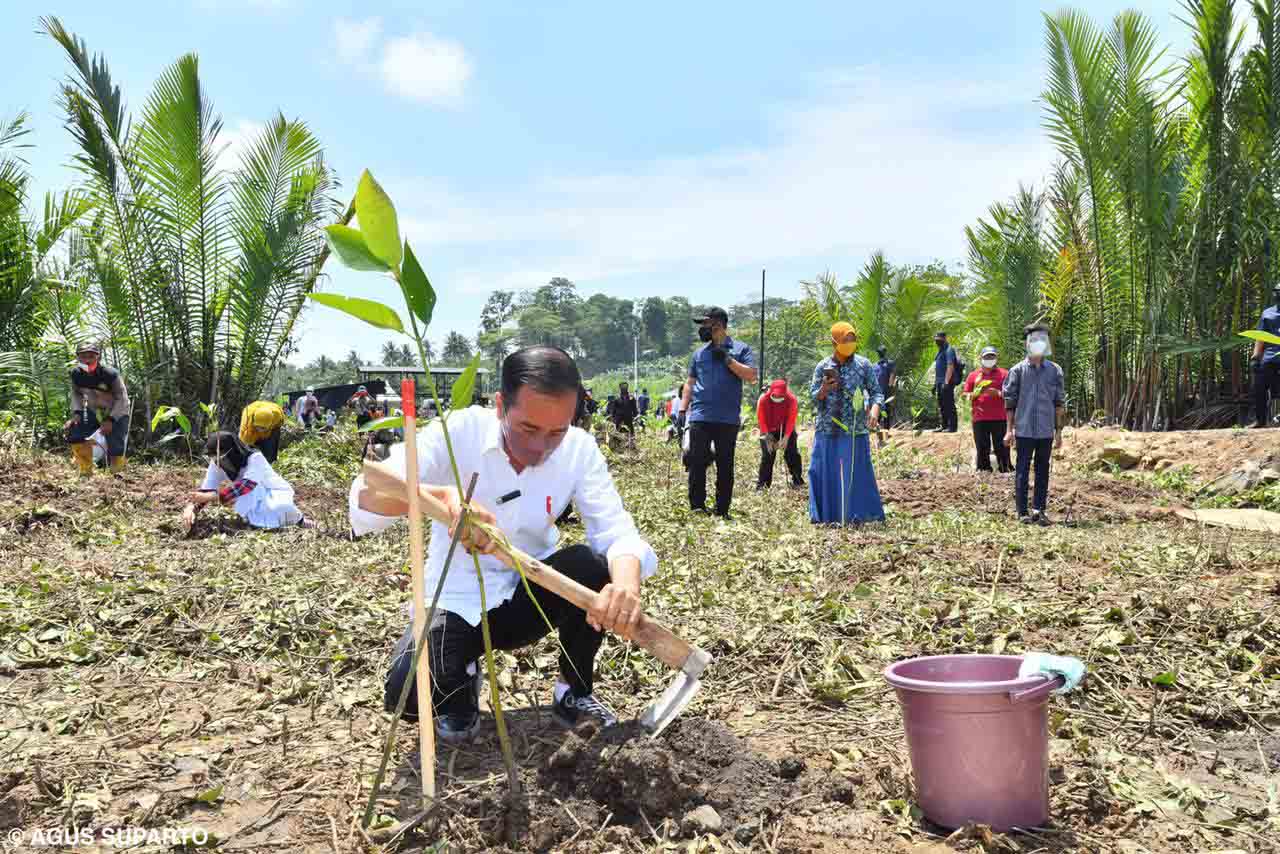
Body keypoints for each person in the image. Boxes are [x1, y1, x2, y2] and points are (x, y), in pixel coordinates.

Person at [349, 346, 657, 742]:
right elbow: (368, 493)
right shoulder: (458, 431)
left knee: (596, 566)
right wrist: (438, 497)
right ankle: (461, 684)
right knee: (409, 691)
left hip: (532, 593)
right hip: (456, 599)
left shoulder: (579, 449)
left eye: (556, 433)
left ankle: (573, 690)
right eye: (527, 429)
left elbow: (615, 530)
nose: (540, 447)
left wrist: (626, 587)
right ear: (499, 405)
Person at [683, 307, 758, 518]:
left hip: (727, 419)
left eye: (706, 324)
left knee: (725, 465)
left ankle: (722, 510)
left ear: (719, 325)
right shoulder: (699, 354)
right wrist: (682, 409)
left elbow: (752, 376)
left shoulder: (741, 349)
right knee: (697, 462)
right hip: (700, 416)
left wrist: (727, 359)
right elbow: (690, 383)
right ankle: (697, 507)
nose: (703, 329)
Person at [809, 322, 884, 524]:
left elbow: (877, 392)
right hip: (827, 429)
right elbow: (813, 398)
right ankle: (828, 516)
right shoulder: (823, 367)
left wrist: (875, 411)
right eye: (845, 340)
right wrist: (824, 389)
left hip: (854, 430)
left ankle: (858, 516)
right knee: (825, 472)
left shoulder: (863, 365)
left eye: (852, 339)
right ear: (834, 342)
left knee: (855, 474)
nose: (850, 344)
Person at [182, 431, 312, 531]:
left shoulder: (255, 458)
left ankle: (301, 521)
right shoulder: (216, 463)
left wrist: (213, 497)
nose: (218, 461)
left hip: (271, 492)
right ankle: (256, 523)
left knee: (282, 508)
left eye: (221, 456)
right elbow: (206, 489)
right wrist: (191, 508)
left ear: (233, 451)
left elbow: (247, 485)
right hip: (249, 496)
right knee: (248, 509)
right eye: (213, 457)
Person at [1003, 324, 1065, 526]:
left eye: (1042, 340)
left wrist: (1058, 433)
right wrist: (1009, 431)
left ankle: (1039, 510)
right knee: (1022, 469)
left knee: (1042, 470)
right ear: (1027, 343)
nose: (1038, 343)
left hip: (1045, 430)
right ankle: (1022, 512)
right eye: (1034, 340)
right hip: (1024, 429)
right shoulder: (1017, 371)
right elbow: (1010, 403)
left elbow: (1058, 403)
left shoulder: (1054, 371)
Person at [65, 341, 130, 476]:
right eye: (83, 357)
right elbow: (76, 393)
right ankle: (85, 470)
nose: (87, 360)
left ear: (98, 357)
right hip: (94, 411)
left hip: (116, 411)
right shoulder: (76, 374)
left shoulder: (110, 374)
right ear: (78, 358)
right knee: (75, 431)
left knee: (115, 441)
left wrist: (111, 419)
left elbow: (122, 399)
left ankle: (116, 473)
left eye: (91, 356)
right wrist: (77, 413)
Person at [963, 346, 1011, 473]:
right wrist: (973, 395)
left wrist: (999, 393)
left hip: (1000, 417)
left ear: (996, 358)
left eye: (992, 356)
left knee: (1002, 447)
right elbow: (966, 394)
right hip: (980, 418)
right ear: (981, 358)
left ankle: (1005, 470)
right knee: (982, 447)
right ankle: (984, 471)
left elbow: (1013, 394)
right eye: (986, 357)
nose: (989, 359)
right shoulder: (973, 376)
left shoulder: (1005, 374)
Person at [756, 379, 804, 491]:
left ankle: (797, 480)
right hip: (768, 430)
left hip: (786, 428)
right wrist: (767, 438)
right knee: (768, 456)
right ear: (771, 392)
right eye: (775, 397)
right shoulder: (763, 399)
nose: (777, 399)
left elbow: (791, 419)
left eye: (780, 397)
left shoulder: (791, 399)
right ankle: (762, 485)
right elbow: (761, 420)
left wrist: (786, 438)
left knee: (792, 453)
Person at [1250, 282, 1280, 427]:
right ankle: (1260, 421)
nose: (1278, 295)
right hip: (1269, 359)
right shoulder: (1267, 313)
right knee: (1258, 388)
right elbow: (1260, 337)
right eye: (1276, 292)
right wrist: (1256, 357)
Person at [933, 332, 960, 432]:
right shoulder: (940, 351)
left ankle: (952, 427)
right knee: (941, 404)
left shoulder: (949, 350)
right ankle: (944, 425)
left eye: (939, 339)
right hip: (939, 382)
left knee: (949, 403)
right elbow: (938, 368)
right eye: (936, 339)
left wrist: (946, 382)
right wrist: (935, 384)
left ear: (945, 338)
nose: (937, 341)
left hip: (947, 382)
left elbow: (950, 366)